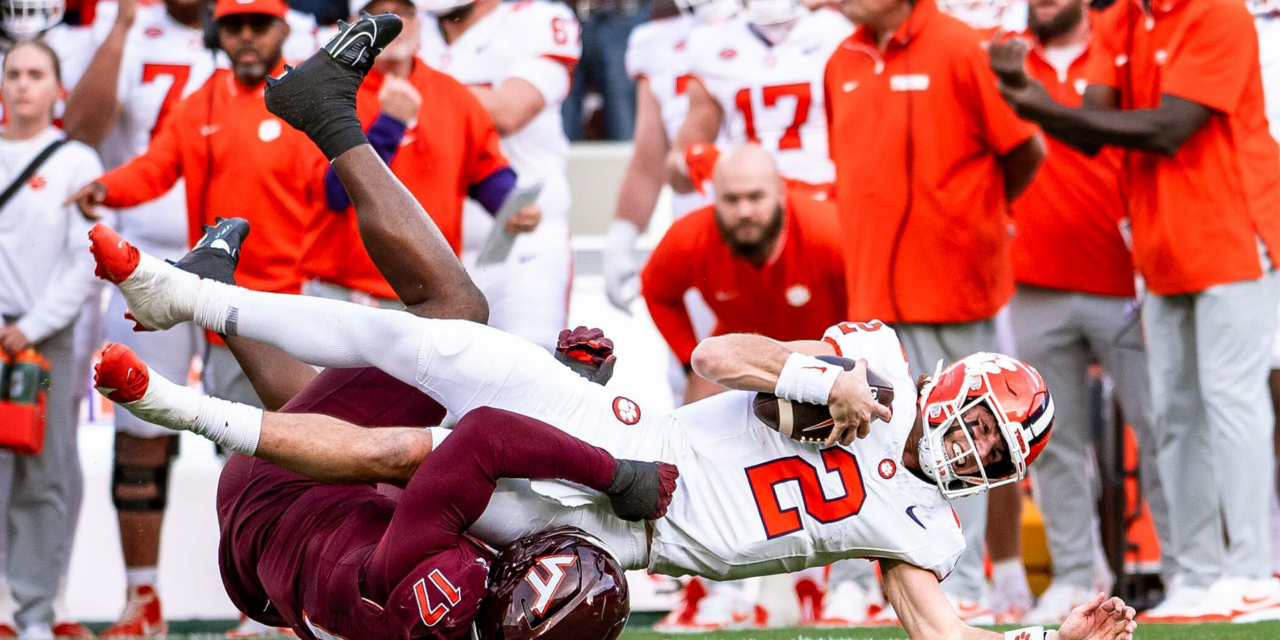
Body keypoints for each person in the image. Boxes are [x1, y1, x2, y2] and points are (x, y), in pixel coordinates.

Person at [86, 22, 1139, 639]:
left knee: (407, 472)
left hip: (608, 540)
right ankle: (191, 311)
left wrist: (1048, 635)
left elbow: (938, 633)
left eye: (983, 457)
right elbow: (717, 358)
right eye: (969, 428)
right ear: (950, 392)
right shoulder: (874, 367)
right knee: (441, 346)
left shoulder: (926, 530)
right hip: (627, 438)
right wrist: (824, 384)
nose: (961, 452)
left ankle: (194, 389)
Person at [990, 0, 1280, 621]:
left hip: (1233, 234)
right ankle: (1199, 575)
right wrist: (1025, 93)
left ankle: (1255, 569)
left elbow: (1172, 128)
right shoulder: (1122, 19)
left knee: (1231, 399)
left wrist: (1033, 102)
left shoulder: (1218, 13)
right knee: (1174, 414)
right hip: (1161, 245)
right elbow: (1093, 129)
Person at [824, 0, 1046, 621]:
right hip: (872, 289)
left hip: (953, 282)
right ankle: (860, 584)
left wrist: (975, 221)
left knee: (962, 438)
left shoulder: (960, 46)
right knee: (858, 437)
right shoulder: (840, 59)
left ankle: (963, 580)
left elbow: (1024, 150)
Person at [66, 0, 327, 421]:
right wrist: (105, 188)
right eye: (233, 25)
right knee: (241, 445)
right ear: (214, 35)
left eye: (258, 24)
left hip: (295, 303)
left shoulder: (308, 95)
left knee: (299, 441)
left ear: (283, 29)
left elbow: (335, 190)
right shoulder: (198, 104)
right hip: (223, 305)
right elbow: (156, 168)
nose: (245, 35)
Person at [1000, 0, 1174, 624]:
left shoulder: (1122, 42)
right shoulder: (1007, 52)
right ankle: (1074, 574)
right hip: (1035, 280)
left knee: (1162, 433)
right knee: (1052, 441)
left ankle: (1187, 571)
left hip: (1125, 274)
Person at [62, 0, 214, 633]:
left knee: (270, 428)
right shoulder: (125, 26)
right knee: (140, 429)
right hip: (144, 257)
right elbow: (82, 130)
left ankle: (277, 593)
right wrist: (122, 26)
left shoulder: (257, 26)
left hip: (253, 255)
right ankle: (142, 594)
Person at [299, 0, 537, 309]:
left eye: (404, 14)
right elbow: (333, 192)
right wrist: (389, 125)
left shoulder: (451, 93)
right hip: (346, 294)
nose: (394, 24)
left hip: (433, 294)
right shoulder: (328, 92)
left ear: (419, 22)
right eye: (379, 15)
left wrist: (510, 203)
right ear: (356, 24)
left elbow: (484, 170)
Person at [0, 41, 103, 640]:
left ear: (58, 88)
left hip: (46, 342)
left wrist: (31, 327)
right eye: (13, 74)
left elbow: (85, 261)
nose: (23, 85)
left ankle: (36, 613)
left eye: (36, 74)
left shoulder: (76, 161)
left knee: (43, 478)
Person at [416, 0, 580, 351]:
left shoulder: (536, 19)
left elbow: (509, 110)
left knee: (529, 370)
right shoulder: (405, 23)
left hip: (521, 238)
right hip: (431, 245)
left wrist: (410, 87)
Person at [641, 143, 846, 405]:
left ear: (781, 193)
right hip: (744, 358)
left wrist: (850, 361)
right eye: (731, 199)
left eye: (755, 197)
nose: (744, 211)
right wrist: (689, 363)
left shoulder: (828, 233)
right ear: (714, 197)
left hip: (825, 358)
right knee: (697, 406)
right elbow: (655, 290)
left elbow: (872, 307)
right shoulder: (691, 237)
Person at [603, 0, 738, 314]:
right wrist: (621, 239)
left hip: (774, 215)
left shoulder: (781, 28)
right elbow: (649, 157)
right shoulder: (655, 41)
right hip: (695, 223)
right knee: (701, 355)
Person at [668, 0, 851, 198]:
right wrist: (691, 163)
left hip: (827, 194)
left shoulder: (840, 29)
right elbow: (677, 170)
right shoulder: (711, 41)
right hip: (751, 202)